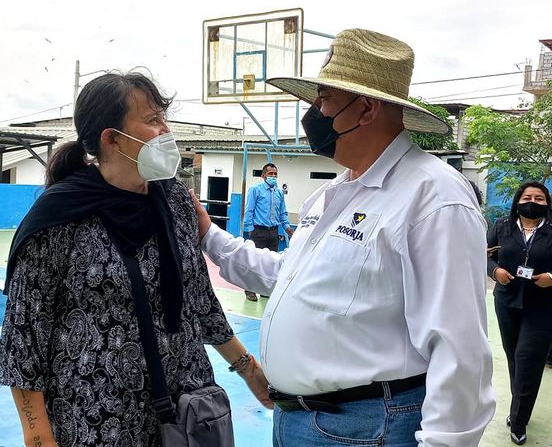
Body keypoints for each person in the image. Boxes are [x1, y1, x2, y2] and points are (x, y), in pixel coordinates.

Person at [191, 28, 496, 446]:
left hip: (365, 428)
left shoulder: (433, 197)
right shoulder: (334, 192)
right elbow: (287, 276)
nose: (314, 112)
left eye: (324, 99)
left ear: (366, 109)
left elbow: (459, 349)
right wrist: (209, 234)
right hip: (299, 419)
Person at [0, 72, 271, 447]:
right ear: (112, 139)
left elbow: (199, 300)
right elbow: (24, 336)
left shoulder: (174, 201)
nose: (166, 131)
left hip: (186, 413)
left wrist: (249, 370)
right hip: (96, 422)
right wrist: (38, 436)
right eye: (153, 120)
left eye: (164, 118)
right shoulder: (58, 218)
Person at [487, 181, 552, 445]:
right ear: (517, 201)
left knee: (528, 359)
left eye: (539, 198)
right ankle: (520, 406)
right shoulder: (502, 226)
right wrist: (495, 271)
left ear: (547, 203)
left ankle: (519, 420)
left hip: (543, 305)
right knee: (514, 357)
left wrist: (551, 277)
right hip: (507, 301)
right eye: (527, 197)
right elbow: (484, 255)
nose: (532, 202)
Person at [243, 162, 293, 301]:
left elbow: (282, 213)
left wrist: (288, 228)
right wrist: (250, 230)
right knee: (255, 261)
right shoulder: (255, 190)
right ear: (263, 176)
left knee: (270, 263)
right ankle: (250, 290)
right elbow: (249, 210)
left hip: (274, 232)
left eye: (275, 174)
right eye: (270, 173)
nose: (273, 176)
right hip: (258, 231)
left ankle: (264, 290)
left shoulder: (279, 193)